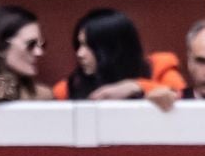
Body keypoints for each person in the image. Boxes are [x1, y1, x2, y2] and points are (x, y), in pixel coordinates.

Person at [53, 7, 186, 107]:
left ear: (112, 50)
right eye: (79, 45)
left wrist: (135, 87)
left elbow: (184, 101)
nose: (80, 54)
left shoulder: (159, 71)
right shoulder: (69, 88)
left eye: (90, 47)